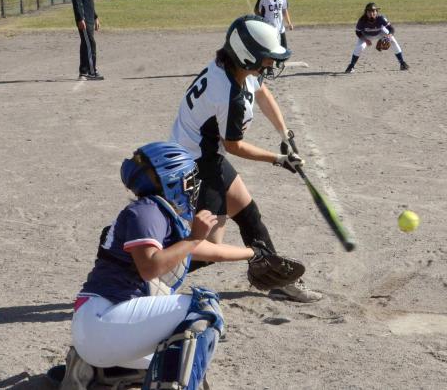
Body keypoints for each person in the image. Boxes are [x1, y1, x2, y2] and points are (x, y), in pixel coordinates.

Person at [48, 142, 302, 389]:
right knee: (204, 308)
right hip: (103, 319)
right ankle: (97, 364)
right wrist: (194, 238)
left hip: (104, 326)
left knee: (174, 357)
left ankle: (92, 372)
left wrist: (254, 253)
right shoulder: (146, 212)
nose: (193, 186)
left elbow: (208, 250)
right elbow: (150, 267)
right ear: (172, 182)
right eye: (188, 179)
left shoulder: (157, 212)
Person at [168, 15, 323, 303]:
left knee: (249, 214)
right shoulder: (228, 94)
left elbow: (262, 92)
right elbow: (235, 145)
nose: (271, 65)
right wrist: (278, 159)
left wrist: (284, 133)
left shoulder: (235, 70)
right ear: (247, 57)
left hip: (205, 155)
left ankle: (279, 280)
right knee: (211, 249)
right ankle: (147, 268)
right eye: (266, 59)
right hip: (195, 164)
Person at [344, 2, 409, 73]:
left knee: (393, 41)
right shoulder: (362, 20)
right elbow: (358, 32)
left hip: (380, 32)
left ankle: (402, 63)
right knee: (360, 47)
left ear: (376, 12)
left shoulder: (381, 18)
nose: (371, 13)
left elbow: (391, 29)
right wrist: (365, 40)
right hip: (367, 35)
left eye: (373, 11)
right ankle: (351, 66)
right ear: (366, 12)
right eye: (369, 11)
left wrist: (389, 35)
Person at [254, 0, 293, 77]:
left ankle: (279, 63)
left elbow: (284, 10)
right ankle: (269, 69)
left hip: (280, 29)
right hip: (269, 30)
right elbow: (256, 10)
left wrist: (289, 23)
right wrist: (262, 20)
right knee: (270, 50)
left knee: (283, 49)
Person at [71, 0, 103, 81]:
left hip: (90, 19)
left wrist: (95, 17)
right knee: (91, 44)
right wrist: (80, 19)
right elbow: (77, 2)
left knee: (85, 44)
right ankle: (91, 71)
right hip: (83, 20)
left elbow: (89, 2)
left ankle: (83, 72)